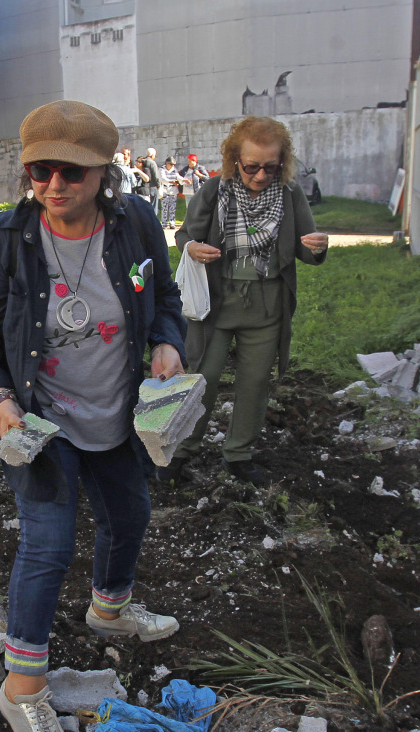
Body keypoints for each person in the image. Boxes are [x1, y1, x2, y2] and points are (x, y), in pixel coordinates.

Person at [0, 100, 187, 732]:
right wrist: (2, 403)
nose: (53, 186)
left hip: (117, 413)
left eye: (70, 173)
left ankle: (109, 610)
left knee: (129, 513)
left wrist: (167, 340)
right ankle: (22, 684)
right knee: (48, 544)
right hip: (40, 418)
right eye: (39, 172)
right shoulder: (4, 240)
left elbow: (164, 297)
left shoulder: (135, 223)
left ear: (103, 174)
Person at [161, 116, 329, 486]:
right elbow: (185, 234)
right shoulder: (214, 190)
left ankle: (239, 455)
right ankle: (181, 451)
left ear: (282, 163)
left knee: (254, 383)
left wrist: (318, 247)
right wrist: (191, 246)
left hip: (267, 304)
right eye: (251, 166)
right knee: (201, 377)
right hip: (217, 303)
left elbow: (306, 246)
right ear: (235, 159)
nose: (260, 175)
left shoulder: (290, 194)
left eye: (270, 167)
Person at [159, 156, 183, 229]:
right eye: (171, 164)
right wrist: (171, 181)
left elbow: (178, 177)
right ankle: (164, 223)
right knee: (165, 208)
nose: (172, 166)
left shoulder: (174, 170)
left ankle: (172, 223)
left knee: (172, 208)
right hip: (165, 190)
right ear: (167, 163)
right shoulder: (162, 169)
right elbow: (163, 179)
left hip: (173, 190)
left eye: (173, 164)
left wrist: (184, 180)